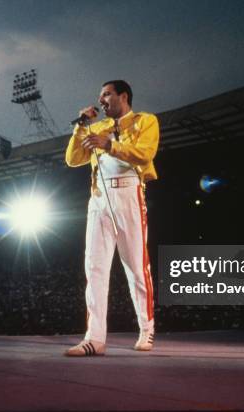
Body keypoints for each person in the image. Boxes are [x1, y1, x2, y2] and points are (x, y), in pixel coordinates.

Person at [64, 80, 160, 356]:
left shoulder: (145, 121)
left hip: (129, 192)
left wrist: (109, 145)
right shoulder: (95, 128)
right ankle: (94, 338)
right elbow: (72, 159)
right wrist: (80, 126)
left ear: (123, 96)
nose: (101, 100)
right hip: (98, 197)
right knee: (94, 267)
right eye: (100, 96)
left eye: (106, 94)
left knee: (136, 267)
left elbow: (145, 154)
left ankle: (147, 328)